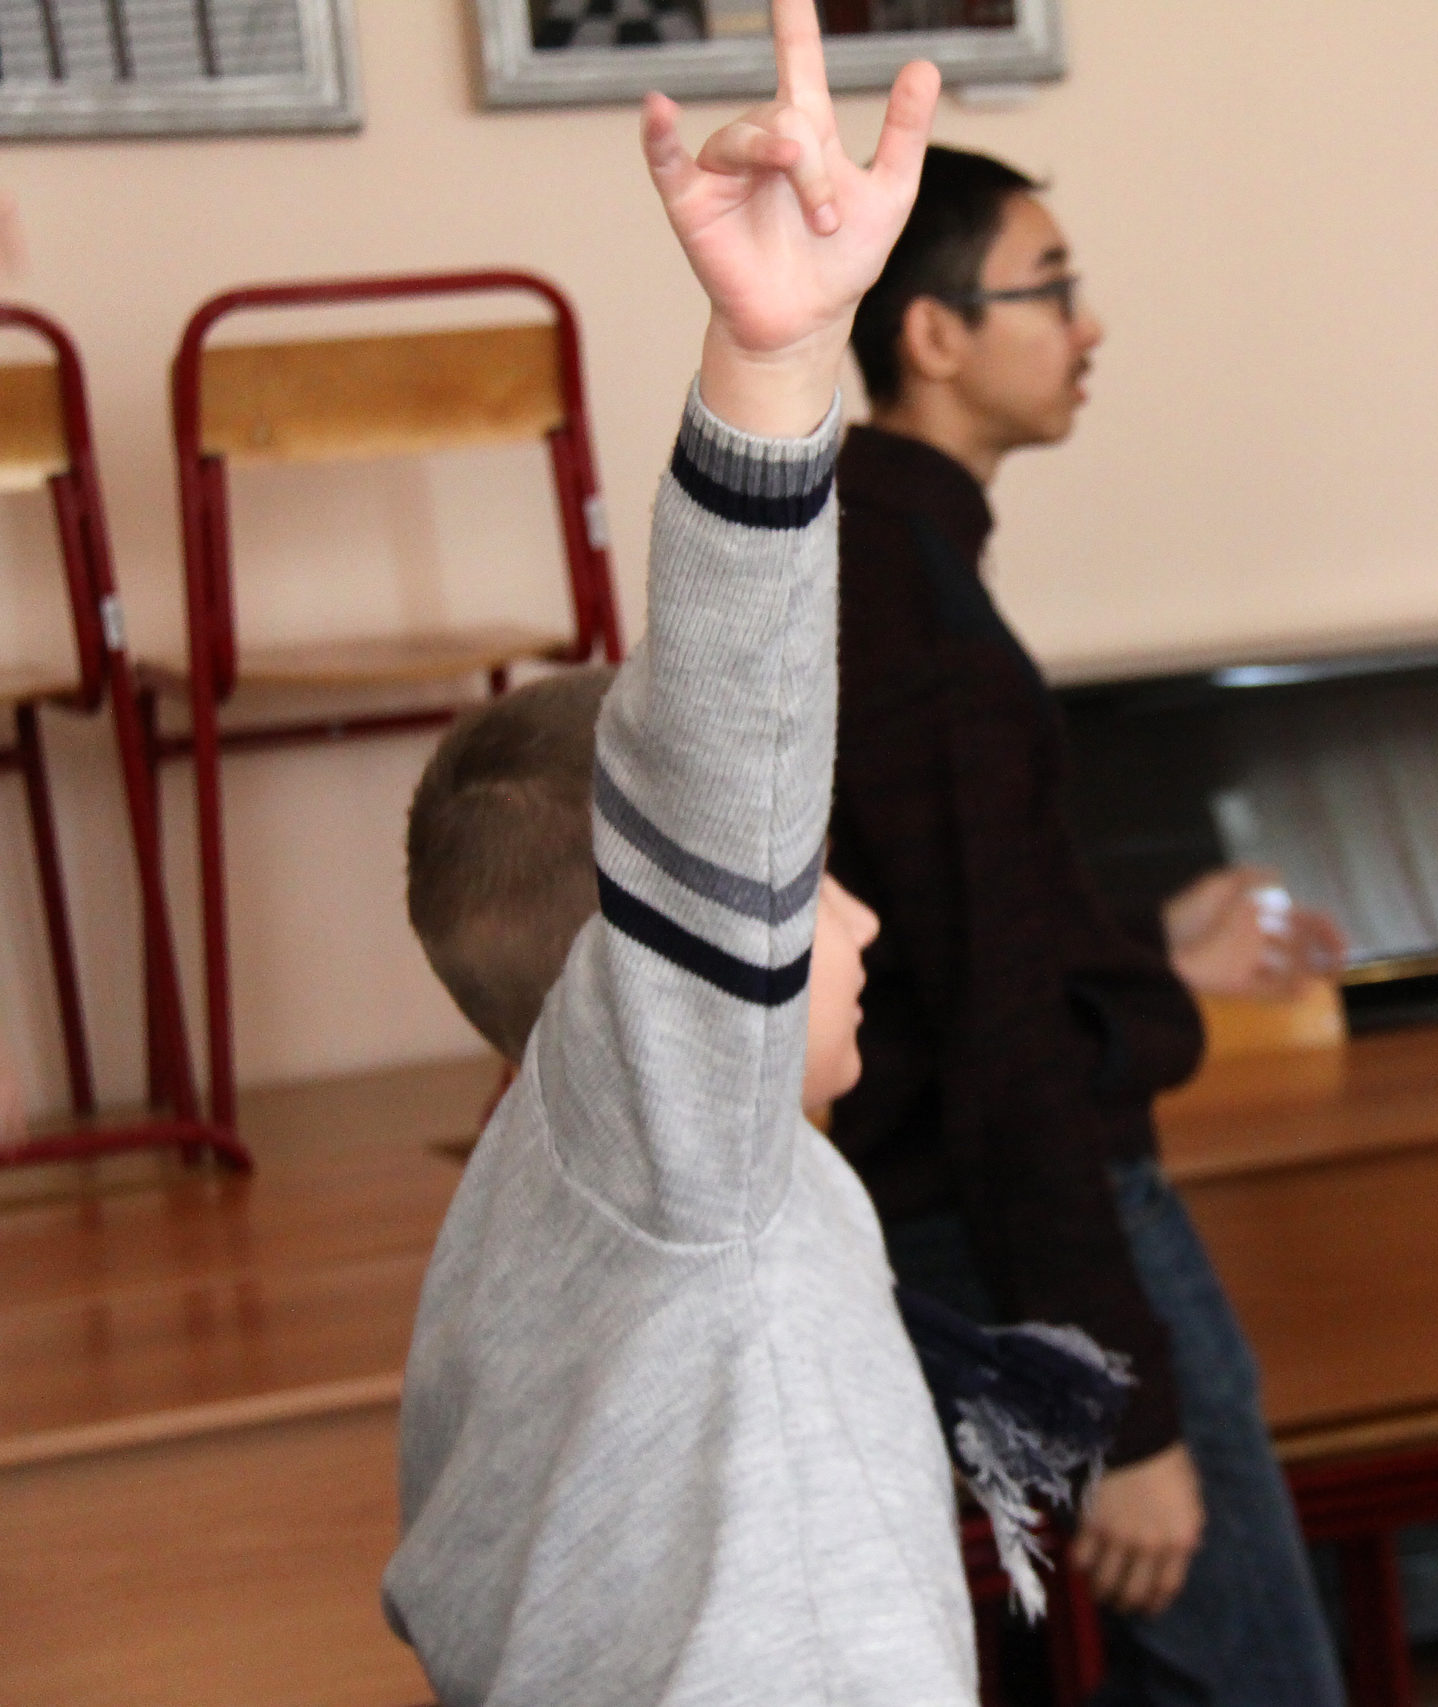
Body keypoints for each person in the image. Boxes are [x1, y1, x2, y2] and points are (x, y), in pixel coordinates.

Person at [382, 20, 978, 1704]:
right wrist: (772, 374)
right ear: (655, 977)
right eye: (801, 885)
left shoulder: (540, 1205)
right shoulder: (681, 1162)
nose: (850, 913)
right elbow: (722, 777)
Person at [825, 145, 1349, 1705]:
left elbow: (956, 933)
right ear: (934, 334)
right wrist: (1123, 1423)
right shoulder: (909, 599)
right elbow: (996, 1034)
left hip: (964, 1227)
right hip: (1013, 1239)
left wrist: (1142, 953)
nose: (1089, 325)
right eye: (1049, 291)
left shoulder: (874, 550)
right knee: (1258, 1682)